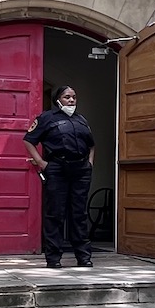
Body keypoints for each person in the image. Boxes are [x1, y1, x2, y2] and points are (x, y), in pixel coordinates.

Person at [23, 85, 95, 268]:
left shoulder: (81, 120)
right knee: (55, 213)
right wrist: (42, 163)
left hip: (80, 170)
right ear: (58, 100)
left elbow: (91, 144)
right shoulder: (47, 118)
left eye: (74, 97)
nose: (71, 100)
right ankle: (54, 258)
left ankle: (84, 257)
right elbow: (28, 140)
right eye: (66, 97)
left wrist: (90, 163)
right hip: (57, 169)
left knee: (79, 214)